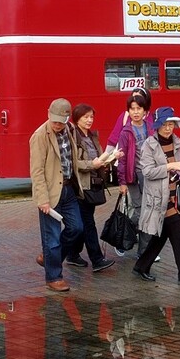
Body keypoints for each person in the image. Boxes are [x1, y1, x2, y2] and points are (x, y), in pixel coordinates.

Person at [133, 107, 180, 286]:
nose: (168, 128)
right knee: (179, 235)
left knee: (161, 235)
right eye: (164, 124)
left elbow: (179, 167)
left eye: (171, 124)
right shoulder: (148, 144)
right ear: (157, 126)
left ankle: (141, 267)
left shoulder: (177, 142)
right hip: (158, 199)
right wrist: (169, 167)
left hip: (174, 197)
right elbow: (148, 172)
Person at [30, 98, 85, 292]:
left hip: (68, 188)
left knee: (77, 228)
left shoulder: (68, 129)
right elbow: (36, 171)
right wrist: (42, 199)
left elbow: (72, 159)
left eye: (61, 121)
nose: (57, 124)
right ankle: (54, 277)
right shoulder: (39, 136)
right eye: (54, 120)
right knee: (51, 237)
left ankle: (49, 257)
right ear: (48, 114)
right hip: (50, 192)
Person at [66, 103, 118, 272]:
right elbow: (74, 163)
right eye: (85, 117)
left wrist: (111, 158)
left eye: (91, 117)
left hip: (94, 184)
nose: (89, 120)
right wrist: (92, 164)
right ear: (77, 119)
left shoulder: (92, 136)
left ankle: (72, 254)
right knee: (88, 224)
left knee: (83, 222)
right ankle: (97, 259)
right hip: (81, 186)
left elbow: (100, 159)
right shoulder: (73, 137)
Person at [116, 92, 156, 258]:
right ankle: (122, 238)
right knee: (140, 211)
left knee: (149, 211)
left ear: (145, 111)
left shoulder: (150, 128)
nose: (135, 112)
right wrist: (122, 182)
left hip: (148, 175)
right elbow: (122, 159)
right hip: (132, 176)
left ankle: (143, 251)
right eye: (132, 109)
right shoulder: (126, 132)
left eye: (139, 108)